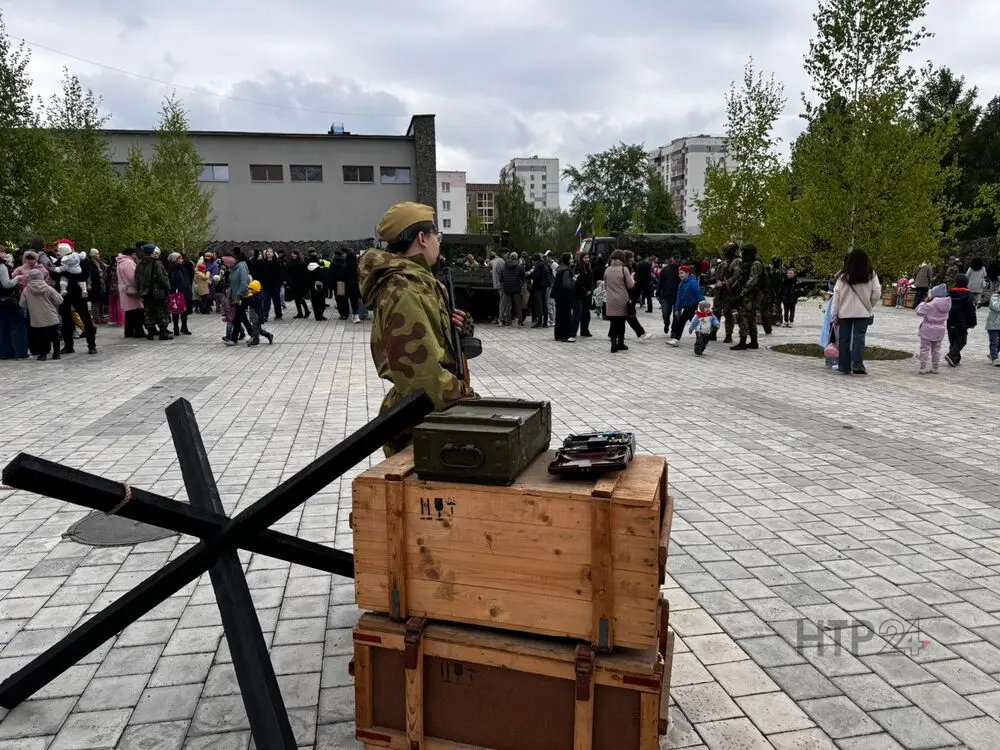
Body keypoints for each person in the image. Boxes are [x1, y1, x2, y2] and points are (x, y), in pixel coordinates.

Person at [358, 201, 475, 455]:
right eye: (437, 236)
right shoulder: (404, 291)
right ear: (422, 238)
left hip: (436, 413)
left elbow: (437, 347)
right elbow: (421, 378)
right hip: (419, 421)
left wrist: (460, 332)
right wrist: (470, 400)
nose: (438, 243)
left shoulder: (422, 282)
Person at [830, 248, 881, 375]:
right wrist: (869, 305)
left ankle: (844, 366)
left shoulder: (843, 275)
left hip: (844, 311)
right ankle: (858, 366)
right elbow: (877, 293)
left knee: (844, 339)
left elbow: (836, 295)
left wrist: (834, 313)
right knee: (859, 338)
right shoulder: (870, 274)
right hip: (862, 312)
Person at [19, 269, 63, 360]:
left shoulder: (26, 290)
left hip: (36, 317)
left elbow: (21, 304)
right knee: (55, 335)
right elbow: (59, 300)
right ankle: (56, 354)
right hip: (50, 315)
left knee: (40, 336)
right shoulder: (48, 288)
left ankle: (42, 355)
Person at [135, 244, 172, 341]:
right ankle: (163, 332)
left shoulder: (140, 263)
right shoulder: (156, 263)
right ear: (152, 252)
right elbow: (162, 277)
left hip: (145, 292)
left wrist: (140, 289)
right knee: (162, 311)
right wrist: (167, 287)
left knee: (148, 311)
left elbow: (137, 278)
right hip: (158, 291)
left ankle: (150, 331)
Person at [731, 244, 763, 351]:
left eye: (744, 251)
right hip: (747, 294)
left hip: (751, 295)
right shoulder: (747, 263)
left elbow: (753, 281)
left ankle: (743, 342)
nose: (742, 253)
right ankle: (753, 342)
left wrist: (742, 293)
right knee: (750, 317)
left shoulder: (755, 263)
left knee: (744, 316)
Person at [915, 284, 951, 375]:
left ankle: (923, 367)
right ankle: (935, 367)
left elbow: (918, 312)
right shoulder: (947, 304)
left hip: (928, 328)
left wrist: (924, 302)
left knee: (924, 349)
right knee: (936, 350)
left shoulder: (930, 305)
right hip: (940, 329)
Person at [603, 249, 634, 353]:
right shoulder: (624, 269)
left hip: (610, 299)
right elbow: (630, 285)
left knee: (613, 323)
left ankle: (613, 344)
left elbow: (605, 285)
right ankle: (620, 342)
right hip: (622, 299)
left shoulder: (607, 270)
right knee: (621, 322)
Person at [0, 248, 28, 359]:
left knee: (3, 327)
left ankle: (5, 352)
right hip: (8, 300)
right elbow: (7, 284)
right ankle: (20, 352)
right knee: (17, 325)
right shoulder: (2, 266)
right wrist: (17, 278)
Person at [667, 265, 704, 347]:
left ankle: (702, 339)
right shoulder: (682, 284)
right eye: (679, 273)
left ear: (687, 273)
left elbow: (698, 293)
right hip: (687, 308)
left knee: (695, 325)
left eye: (682, 273)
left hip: (693, 308)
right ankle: (676, 340)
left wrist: (703, 305)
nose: (680, 275)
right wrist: (677, 309)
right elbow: (679, 298)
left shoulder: (692, 282)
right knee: (681, 323)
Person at [945, 273, 977, 367]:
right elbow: (971, 311)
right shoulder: (969, 295)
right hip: (962, 322)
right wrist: (972, 323)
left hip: (950, 320)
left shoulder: (949, 293)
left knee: (953, 340)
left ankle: (955, 359)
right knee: (962, 341)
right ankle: (951, 355)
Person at [225, 248, 252, 344]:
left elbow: (244, 283)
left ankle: (234, 339)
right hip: (236, 297)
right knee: (242, 318)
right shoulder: (234, 269)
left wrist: (237, 296)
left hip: (242, 297)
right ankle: (253, 334)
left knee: (237, 318)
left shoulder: (241, 268)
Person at [117, 247, 145, 338]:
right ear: (129, 254)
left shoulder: (121, 262)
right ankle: (139, 332)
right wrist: (140, 286)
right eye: (134, 254)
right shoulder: (128, 262)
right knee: (136, 311)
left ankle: (129, 331)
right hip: (132, 290)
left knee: (129, 312)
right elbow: (133, 277)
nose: (135, 256)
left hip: (125, 290)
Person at [551, 252, 576, 342]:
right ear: (567, 260)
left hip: (559, 296)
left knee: (559, 315)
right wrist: (573, 281)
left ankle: (559, 334)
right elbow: (567, 284)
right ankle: (564, 334)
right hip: (565, 296)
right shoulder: (566, 270)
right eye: (571, 258)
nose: (572, 260)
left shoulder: (560, 269)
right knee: (565, 315)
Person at [167, 252, 193, 335]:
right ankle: (176, 328)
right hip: (176, 292)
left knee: (185, 310)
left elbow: (187, 279)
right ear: (175, 260)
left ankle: (184, 327)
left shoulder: (183, 268)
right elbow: (171, 281)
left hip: (185, 291)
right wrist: (173, 289)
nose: (182, 260)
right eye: (180, 258)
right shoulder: (171, 270)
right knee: (176, 311)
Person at [657, 253, 681, 335]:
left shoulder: (682, 269)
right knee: (665, 313)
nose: (677, 259)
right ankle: (666, 323)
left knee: (677, 315)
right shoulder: (665, 269)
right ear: (671, 258)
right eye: (675, 257)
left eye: (678, 258)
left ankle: (674, 331)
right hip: (666, 295)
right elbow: (660, 282)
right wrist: (658, 293)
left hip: (678, 296)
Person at [571, 252, 594, 338]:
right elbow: (577, 282)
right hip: (579, 294)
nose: (587, 259)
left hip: (588, 295)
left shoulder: (589, 269)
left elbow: (591, 281)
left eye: (588, 258)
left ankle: (585, 330)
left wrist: (591, 290)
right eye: (585, 258)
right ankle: (573, 332)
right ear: (581, 259)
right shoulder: (578, 268)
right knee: (578, 314)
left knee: (586, 314)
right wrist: (585, 291)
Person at [498, 252, 525, 326]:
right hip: (516, 288)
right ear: (516, 258)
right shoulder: (519, 267)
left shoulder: (504, 267)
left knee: (508, 306)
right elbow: (523, 275)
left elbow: (500, 279)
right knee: (518, 306)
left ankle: (509, 322)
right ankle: (520, 321)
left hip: (507, 288)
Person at [245, 280, 274, 346]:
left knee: (255, 328)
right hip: (254, 315)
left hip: (257, 315)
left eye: (251, 289)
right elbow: (249, 303)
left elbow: (253, 303)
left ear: (255, 289)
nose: (250, 290)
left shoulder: (259, 296)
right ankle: (269, 335)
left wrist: (250, 296)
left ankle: (256, 340)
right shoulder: (253, 295)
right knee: (259, 329)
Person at [285, 249, 311, 318]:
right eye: (292, 253)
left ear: (297, 255)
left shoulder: (302, 263)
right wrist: (287, 281)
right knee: (297, 299)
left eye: (294, 254)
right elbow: (288, 272)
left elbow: (306, 274)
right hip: (293, 283)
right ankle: (300, 313)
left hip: (301, 283)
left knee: (300, 298)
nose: (293, 255)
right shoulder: (291, 262)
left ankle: (306, 311)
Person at [529, 254, 551, 328]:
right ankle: (545, 322)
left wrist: (532, 280)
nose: (532, 262)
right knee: (544, 305)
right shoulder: (544, 265)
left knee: (539, 305)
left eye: (533, 260)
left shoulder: (538, 266)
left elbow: (536, 277)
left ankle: (539, 322)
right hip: (545, 287)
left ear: (535, 260)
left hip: (538, 288)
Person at [307, 251, 328, 321]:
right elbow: (322, 276)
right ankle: (320, 315)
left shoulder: (308, 267)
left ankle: (316, 315)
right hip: (318, 286)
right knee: (320, 301)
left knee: (314, 301)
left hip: (311, 286)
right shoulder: (318, 267)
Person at [987, 285, 1000, 366]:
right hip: (993, 324)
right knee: (994, 341)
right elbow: (996, 307)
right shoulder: (995, 297)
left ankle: (993, 354)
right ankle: (995, 357)